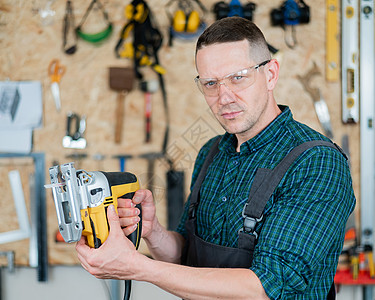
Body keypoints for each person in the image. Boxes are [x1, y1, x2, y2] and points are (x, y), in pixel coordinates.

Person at [76, 17, 356, 299]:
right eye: (210, 83)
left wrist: (136, 267)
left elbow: (267, 288)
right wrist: (153, 231)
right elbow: (186, 258)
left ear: (270, 74)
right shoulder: (211, 152)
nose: (224, 97)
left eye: (238, 77)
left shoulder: (316, 162)